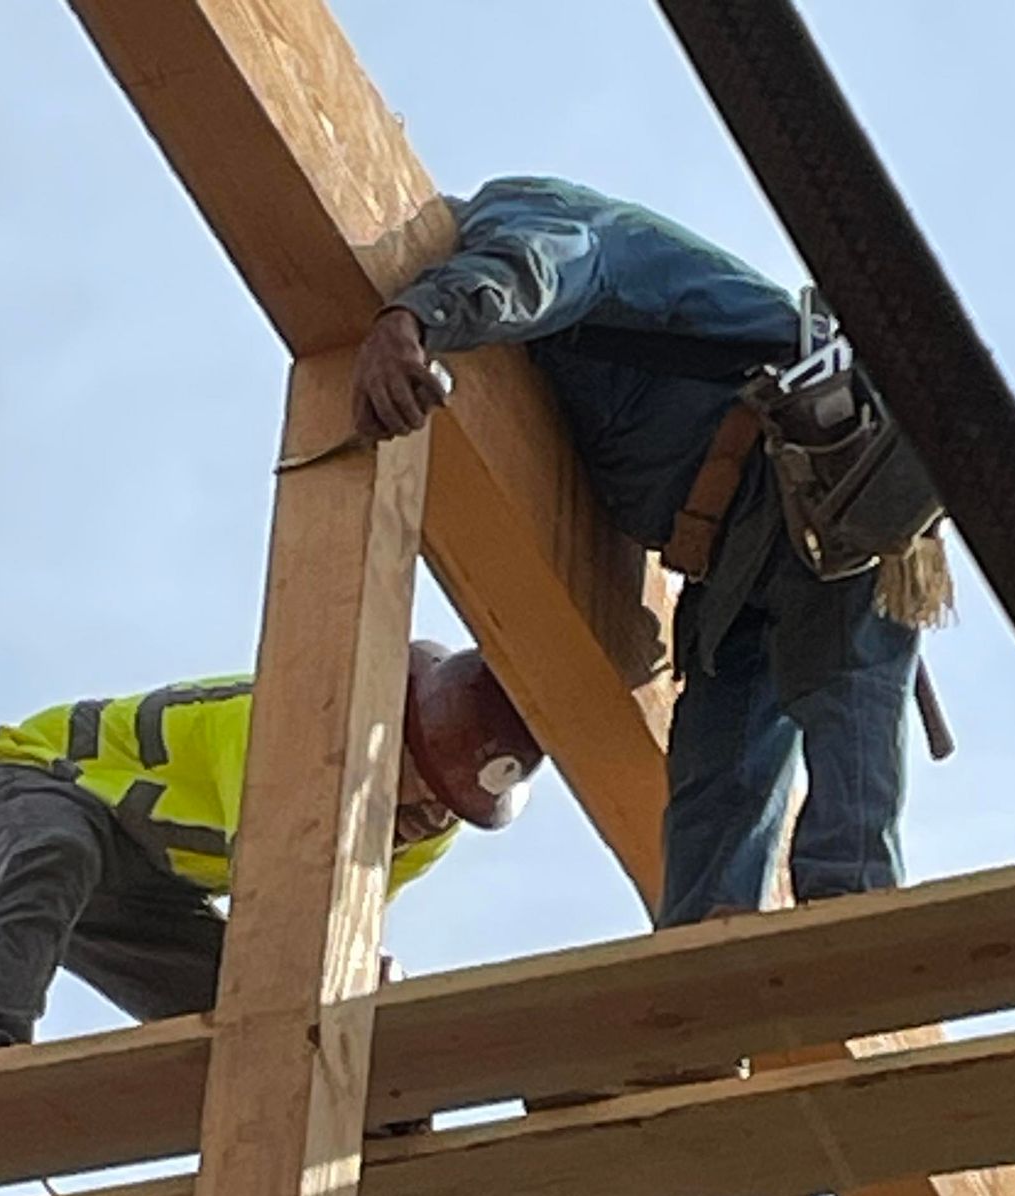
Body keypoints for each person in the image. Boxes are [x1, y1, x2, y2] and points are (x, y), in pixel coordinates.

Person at [353, 176, 949, 927]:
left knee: (845, 681)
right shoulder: (545, 359)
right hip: (727, 556)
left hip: (815, 477)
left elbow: (540, 263)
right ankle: (704, 974)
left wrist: (415, 317)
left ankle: (854, 918)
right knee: (718, 766)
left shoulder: (524, 214)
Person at [0, 641, 542, 1058]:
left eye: (449, 805)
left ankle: (379, 1118)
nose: (429, 816)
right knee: (58, 855)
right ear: (391, 734)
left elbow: (323, 942)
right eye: (427, 784)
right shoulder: (277, 732)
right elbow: (281, 919)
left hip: (145, 885)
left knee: (259, 1016)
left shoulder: (425, 832)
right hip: (31, 781)